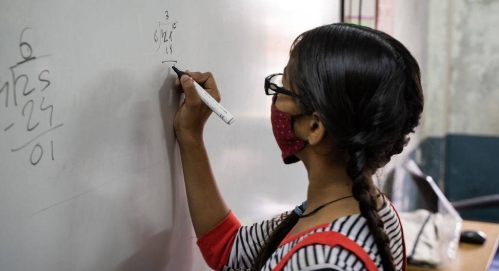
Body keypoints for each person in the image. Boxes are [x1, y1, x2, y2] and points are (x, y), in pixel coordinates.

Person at [173, 23, 423, 271]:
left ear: (314, 127)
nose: (275, 100)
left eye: (283, 88)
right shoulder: (370, 208)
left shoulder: (324, 262)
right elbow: (229, 249)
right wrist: (190, 136)